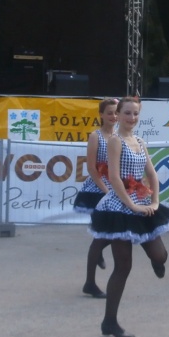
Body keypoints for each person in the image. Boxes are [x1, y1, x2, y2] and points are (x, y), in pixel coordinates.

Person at [88, 96, 169, 337]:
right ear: (118, 115)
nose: (132, 118)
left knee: (160, 255)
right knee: (123, 266)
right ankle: (109, 322)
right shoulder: (115, 141)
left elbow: (152, 173)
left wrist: (155, 201)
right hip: (119, 206)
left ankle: (157, 262)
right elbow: (114, 177)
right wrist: (131, 206)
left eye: (135, 113)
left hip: (141, 201)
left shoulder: (139, 141)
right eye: (127, 113)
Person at [73, 98, 117, 297]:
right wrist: (106, 191)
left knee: (114, 231)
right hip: (98, 189)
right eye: (109, 113)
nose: (113, 116)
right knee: (102, 235)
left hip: (115, 187)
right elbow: (91, 168)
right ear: (101, 115)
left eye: (116, 112)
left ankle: (97, 255)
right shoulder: (95, 136)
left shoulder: (119, 136)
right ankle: (90, 282)